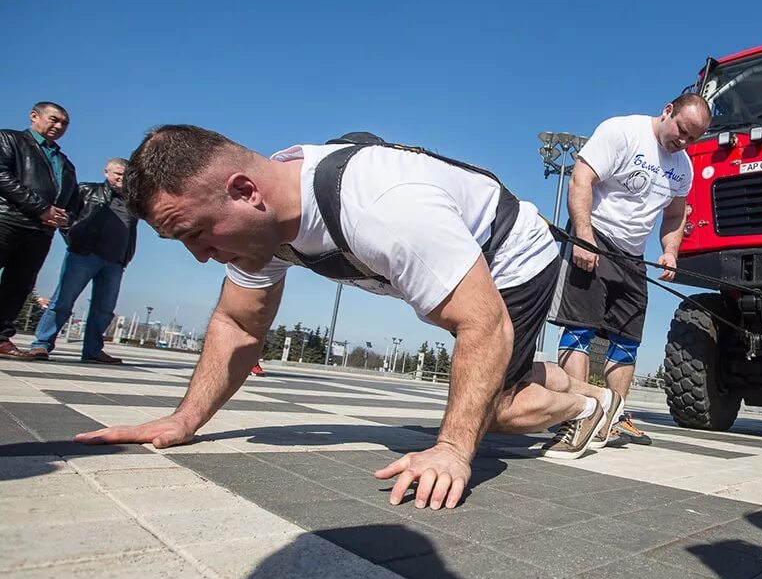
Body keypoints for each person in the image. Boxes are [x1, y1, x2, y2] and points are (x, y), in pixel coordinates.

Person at [74, 125, 622, 510]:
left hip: (511, 255)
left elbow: (483, 326)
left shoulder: (381, 206)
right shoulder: (260, 227)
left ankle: (582, 405)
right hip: (451, 263)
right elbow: (239, 325)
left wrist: (453, 449)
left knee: (491, 406)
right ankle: (591, 394)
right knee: (498, 370)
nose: (198, 255)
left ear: (246, 192)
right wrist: (183, 421)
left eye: (195, 233)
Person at [548, 94, 711, 446]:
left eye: (692, 138)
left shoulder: (683, 166)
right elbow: (580, 179)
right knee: (580, 331)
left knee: (627, 340)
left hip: (633, 257)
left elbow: (674, 214)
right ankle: (577, 415)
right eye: (682, 130)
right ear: (668, 111)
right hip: (596, 237)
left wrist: (669, 251)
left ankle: (612, 418)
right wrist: (584, 237)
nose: (683, 141)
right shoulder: (622, 132)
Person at [27, 158, 139, 364]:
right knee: (63, 301)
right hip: (84, 255)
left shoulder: (133, 203)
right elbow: (66, 218)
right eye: (118, 174)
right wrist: (74, 238)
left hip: (115, 261)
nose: (122, 179)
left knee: (104, 308)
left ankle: (93, 350)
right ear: (106, 172)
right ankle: (41, 344)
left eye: (126, 175)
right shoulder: (87, 190)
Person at [0, 102, 79, 360]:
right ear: (34, 116)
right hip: (8, 220)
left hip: (40, 232)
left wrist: (64, 216)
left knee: (19, 284)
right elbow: (2, 176)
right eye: (53, 119)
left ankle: (1, 337)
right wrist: (41, 207)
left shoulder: (65, 163)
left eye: (64, 123)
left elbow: (72, 200)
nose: (58, 126)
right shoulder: (11, 140)